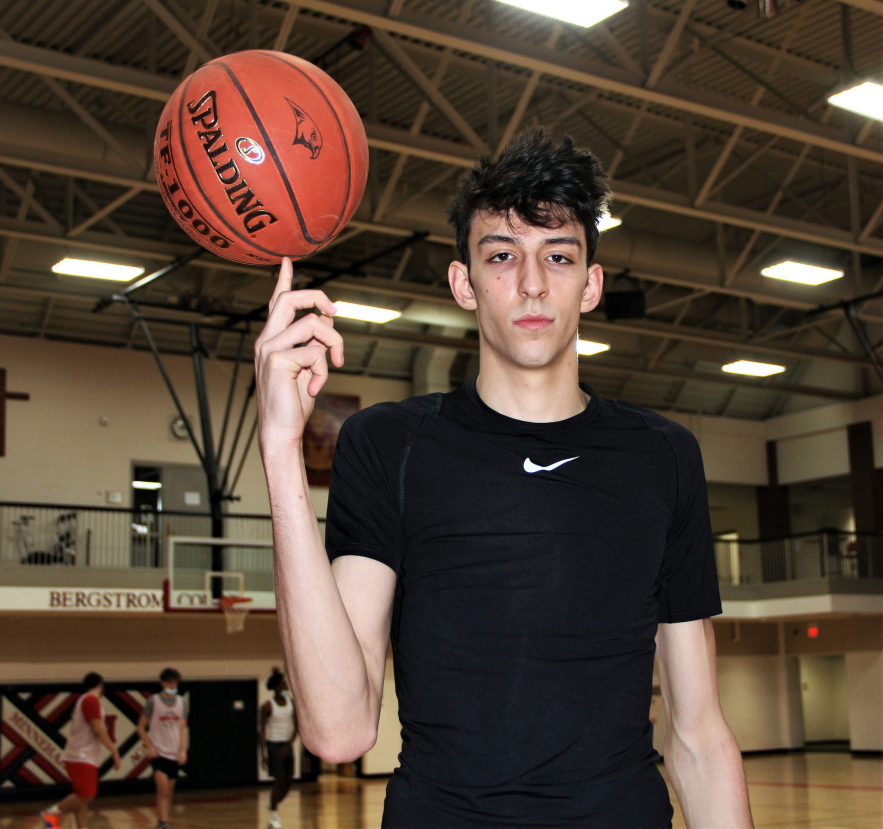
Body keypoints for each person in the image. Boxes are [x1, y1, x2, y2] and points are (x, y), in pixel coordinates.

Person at [253, 126, 754, 827]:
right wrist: (280, 447)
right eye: (501, 254)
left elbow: (699, 736)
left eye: (558, 255)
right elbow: (339, 729)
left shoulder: (663, 457)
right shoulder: (389, 445)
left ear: (591, 284)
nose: (530, 282)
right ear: (463, 282)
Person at [41, 672, 122, 829]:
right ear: (100, 685)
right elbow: (98, 729)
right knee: (86, 795)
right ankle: (51, 813)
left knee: (81, 797)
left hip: (80, 755)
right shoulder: (91, 700)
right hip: (82, 756)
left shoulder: (84, 700)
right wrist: (114, 751)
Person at [137, 667, 188, 829]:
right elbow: (140, 728)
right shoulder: (153, 701)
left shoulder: (181, 702)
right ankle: (163, 821)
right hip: (159, 752)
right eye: (170, 683)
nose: (173, 686)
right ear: (163, 683)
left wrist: (183, 750)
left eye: (175, 683)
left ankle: (164, 819)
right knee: (163, 789)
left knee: (170, 792)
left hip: (174, 752)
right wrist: (150, 746)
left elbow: (182, 728)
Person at [259, 667, 299, 829]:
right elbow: (261, 732)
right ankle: (274, 817)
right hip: (273, 745)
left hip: (287, 744)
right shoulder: (267, 706)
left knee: (288, 782)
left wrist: (289, 746)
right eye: (284, 685)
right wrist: (263, 755)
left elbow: (297, 727)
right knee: (279, 780)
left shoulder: (291, 703)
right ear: (277, 688)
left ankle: (273, 802)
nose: (287, 687)